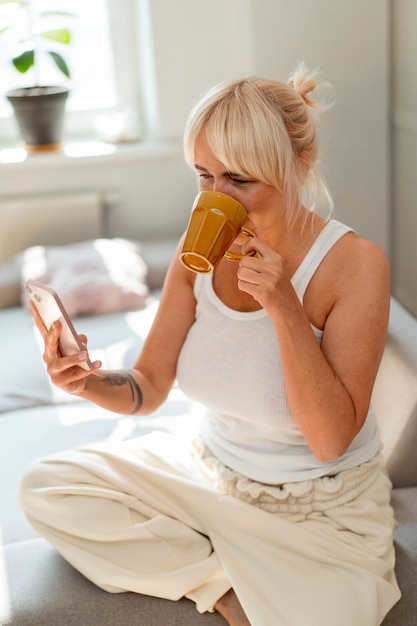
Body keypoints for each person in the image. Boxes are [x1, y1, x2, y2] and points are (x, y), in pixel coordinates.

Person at [20, 63, 401, 626]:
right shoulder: (193, 249)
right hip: (210, 478)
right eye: (204, 176)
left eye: (239, 180)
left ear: (299, 167)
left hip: (322, 514)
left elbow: (329, 440)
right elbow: (148, 387)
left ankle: (250, 571)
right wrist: (89, 381)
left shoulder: (355, 265)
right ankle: (222, 586)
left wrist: (285, 309)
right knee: (46, 486)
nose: (215, 199)